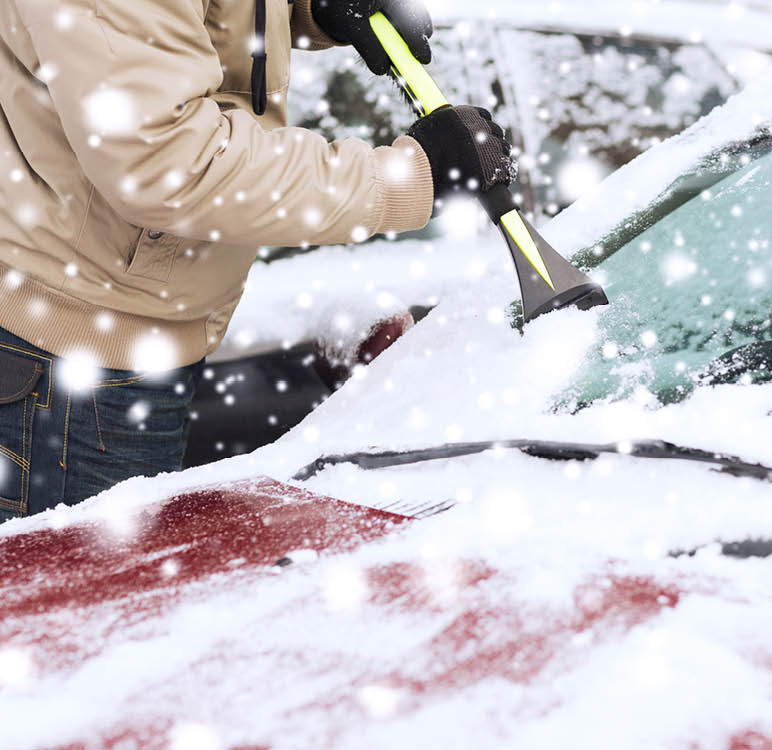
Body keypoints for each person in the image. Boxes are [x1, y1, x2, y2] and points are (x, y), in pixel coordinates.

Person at [0, 0, 513, 520]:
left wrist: (312, 9)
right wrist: (407, 175)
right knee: (90, 593)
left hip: (123, 333)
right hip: (73, 364)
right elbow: (169, 162)